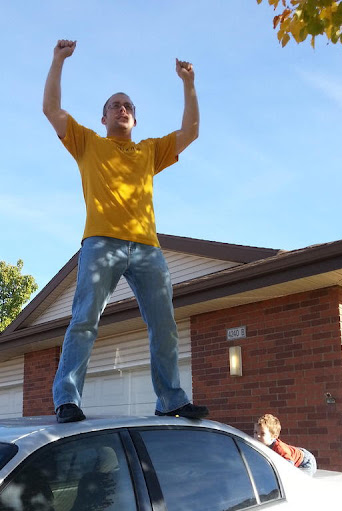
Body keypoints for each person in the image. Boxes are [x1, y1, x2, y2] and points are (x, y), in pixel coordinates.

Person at [43, 39, 209, 423]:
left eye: (129, 106)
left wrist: (189, 84)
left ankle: (171, 400)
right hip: (101, 243)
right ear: (103, 118)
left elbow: (191, 132)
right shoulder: (88, 143)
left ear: (135, 119)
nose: (123, 109)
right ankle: (67, 399)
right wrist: (58, 60)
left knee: (164, 326)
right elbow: (51, 109)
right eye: (115, 105)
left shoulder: (149, 151)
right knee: (85, 320)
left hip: (147, 248)